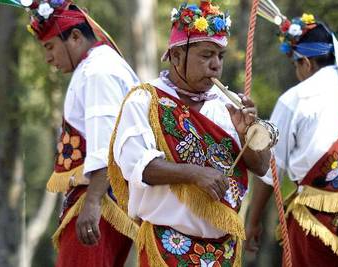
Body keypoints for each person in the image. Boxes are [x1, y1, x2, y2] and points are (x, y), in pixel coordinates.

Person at [108, 1, 271, 266]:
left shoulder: (226, 104)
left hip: (224, 251)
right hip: (168, 247)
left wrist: (247, 135)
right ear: (176, 56)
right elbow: (138, 167)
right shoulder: (145, 100)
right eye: (206, 55)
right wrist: (194, 174)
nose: (216, 65)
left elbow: (262, 166)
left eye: (220, 56)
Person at [245, 13, 338, 267]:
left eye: (296, 66)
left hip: (312, 230)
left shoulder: (296, 99)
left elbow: (270, 169)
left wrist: (253, 221)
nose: (297, 74)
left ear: (305, 62)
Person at [17, 0, 140, 266]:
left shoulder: (98, 72)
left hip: (101, 198)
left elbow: (106, 143)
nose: (48, 58)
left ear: (74, 36)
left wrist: (93, 203)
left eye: (50, 46)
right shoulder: (101, 64)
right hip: (107, 196)